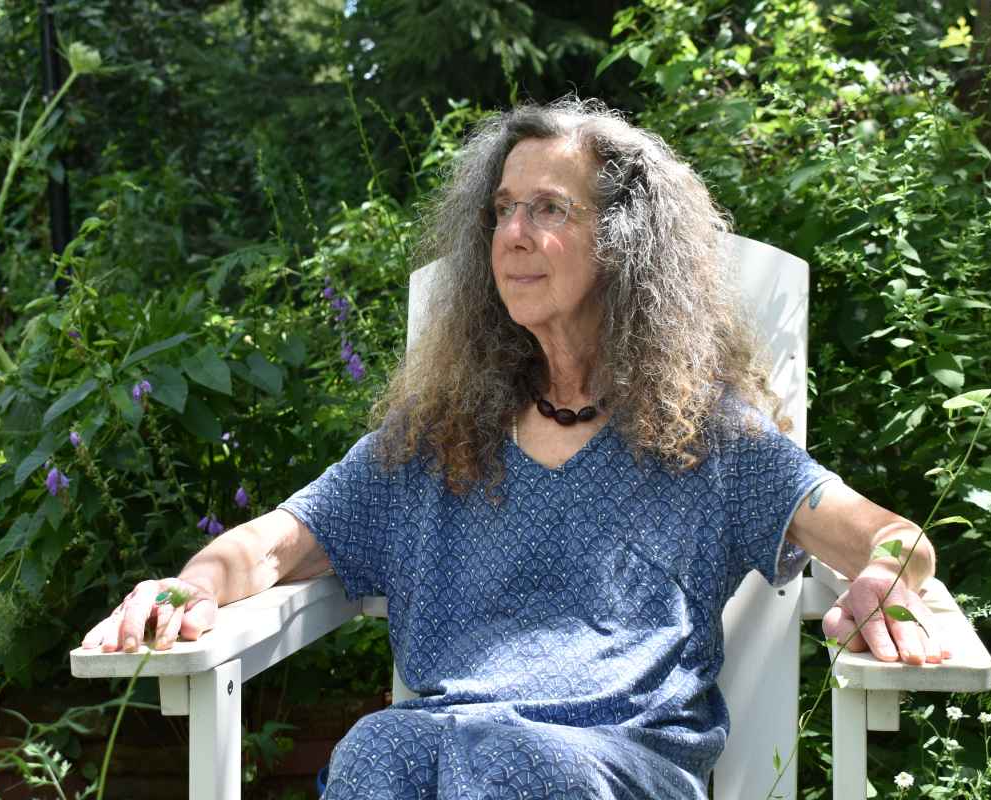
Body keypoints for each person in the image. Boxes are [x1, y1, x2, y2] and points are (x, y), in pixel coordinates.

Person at [80, 98, 947, 798]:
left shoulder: (709, 440)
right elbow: (273, 545)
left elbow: (888, 536)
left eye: (548, 210)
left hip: (610, 761)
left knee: (517, 763)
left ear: (622, 243)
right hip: (444, 745)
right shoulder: (437, 440)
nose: (513, 234)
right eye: (502, 210)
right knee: (377, 750)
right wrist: (188, 585)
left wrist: (888, 573)